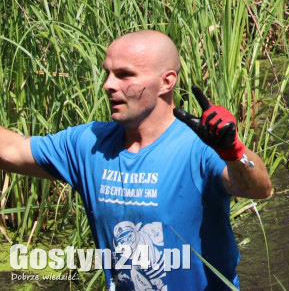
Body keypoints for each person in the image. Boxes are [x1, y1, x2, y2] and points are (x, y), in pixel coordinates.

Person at [0, 30, 272, 289]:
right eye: (108, 73)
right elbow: (12, 150)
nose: (108, 85)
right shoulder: (89, 144)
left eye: (124, 75)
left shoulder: (199, 147)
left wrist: (232, 151)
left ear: (166, 82)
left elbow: (260, 188)